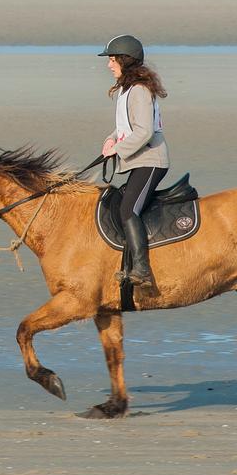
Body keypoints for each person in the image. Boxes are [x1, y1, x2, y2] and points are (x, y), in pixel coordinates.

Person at [97, 34, 169, 287]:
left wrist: (117, 149)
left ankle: (142, 270)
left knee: (128, 210)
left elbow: (144, 132)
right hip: (139, 160)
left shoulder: (138, 91)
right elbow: (126, 126)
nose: (109, 65)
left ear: (125, 60)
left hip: (151, 160)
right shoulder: (127, 90)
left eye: (112, 59)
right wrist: (111, 139)